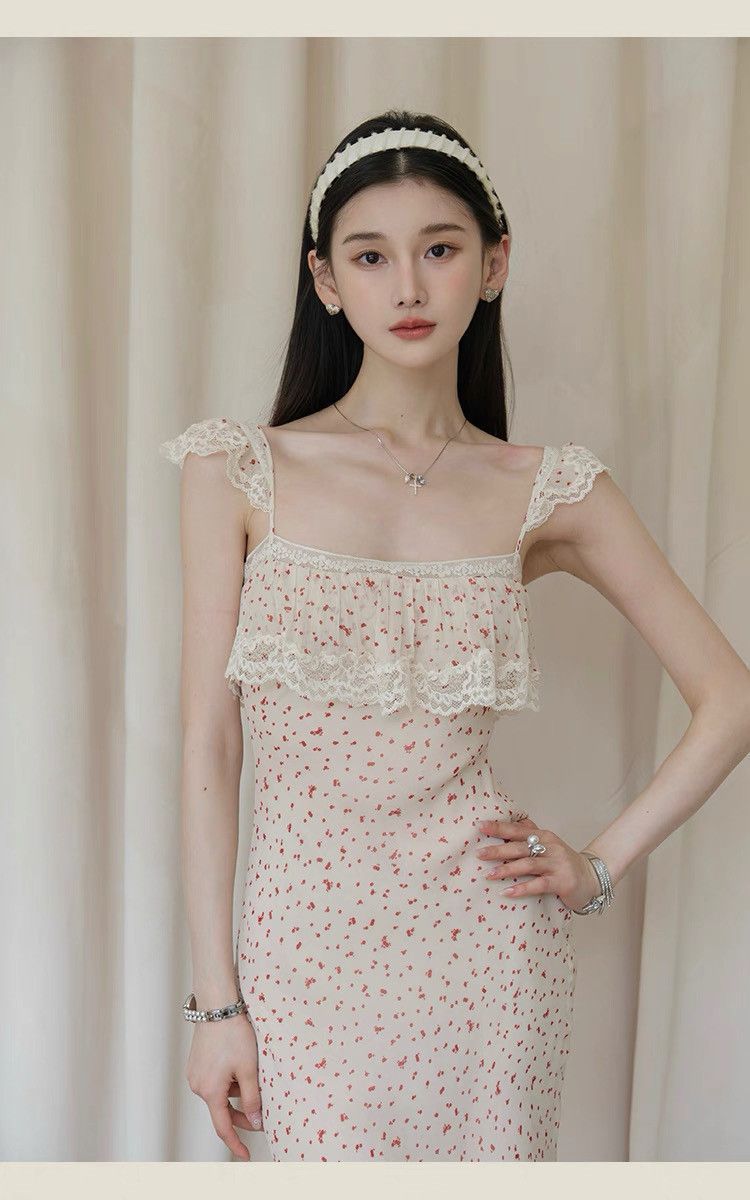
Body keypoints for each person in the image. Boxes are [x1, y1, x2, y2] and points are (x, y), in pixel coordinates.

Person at [160, 109, 750, 1163]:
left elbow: (730, 698)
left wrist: (599, 866)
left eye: (439, 249)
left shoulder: (551, 488)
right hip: (303, 958)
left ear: (493, 265)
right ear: (326, 280)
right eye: (370, 256)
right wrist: (216, 1004)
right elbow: (210, 738)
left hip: (488, 958)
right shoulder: (237, 470)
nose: (409, 287)